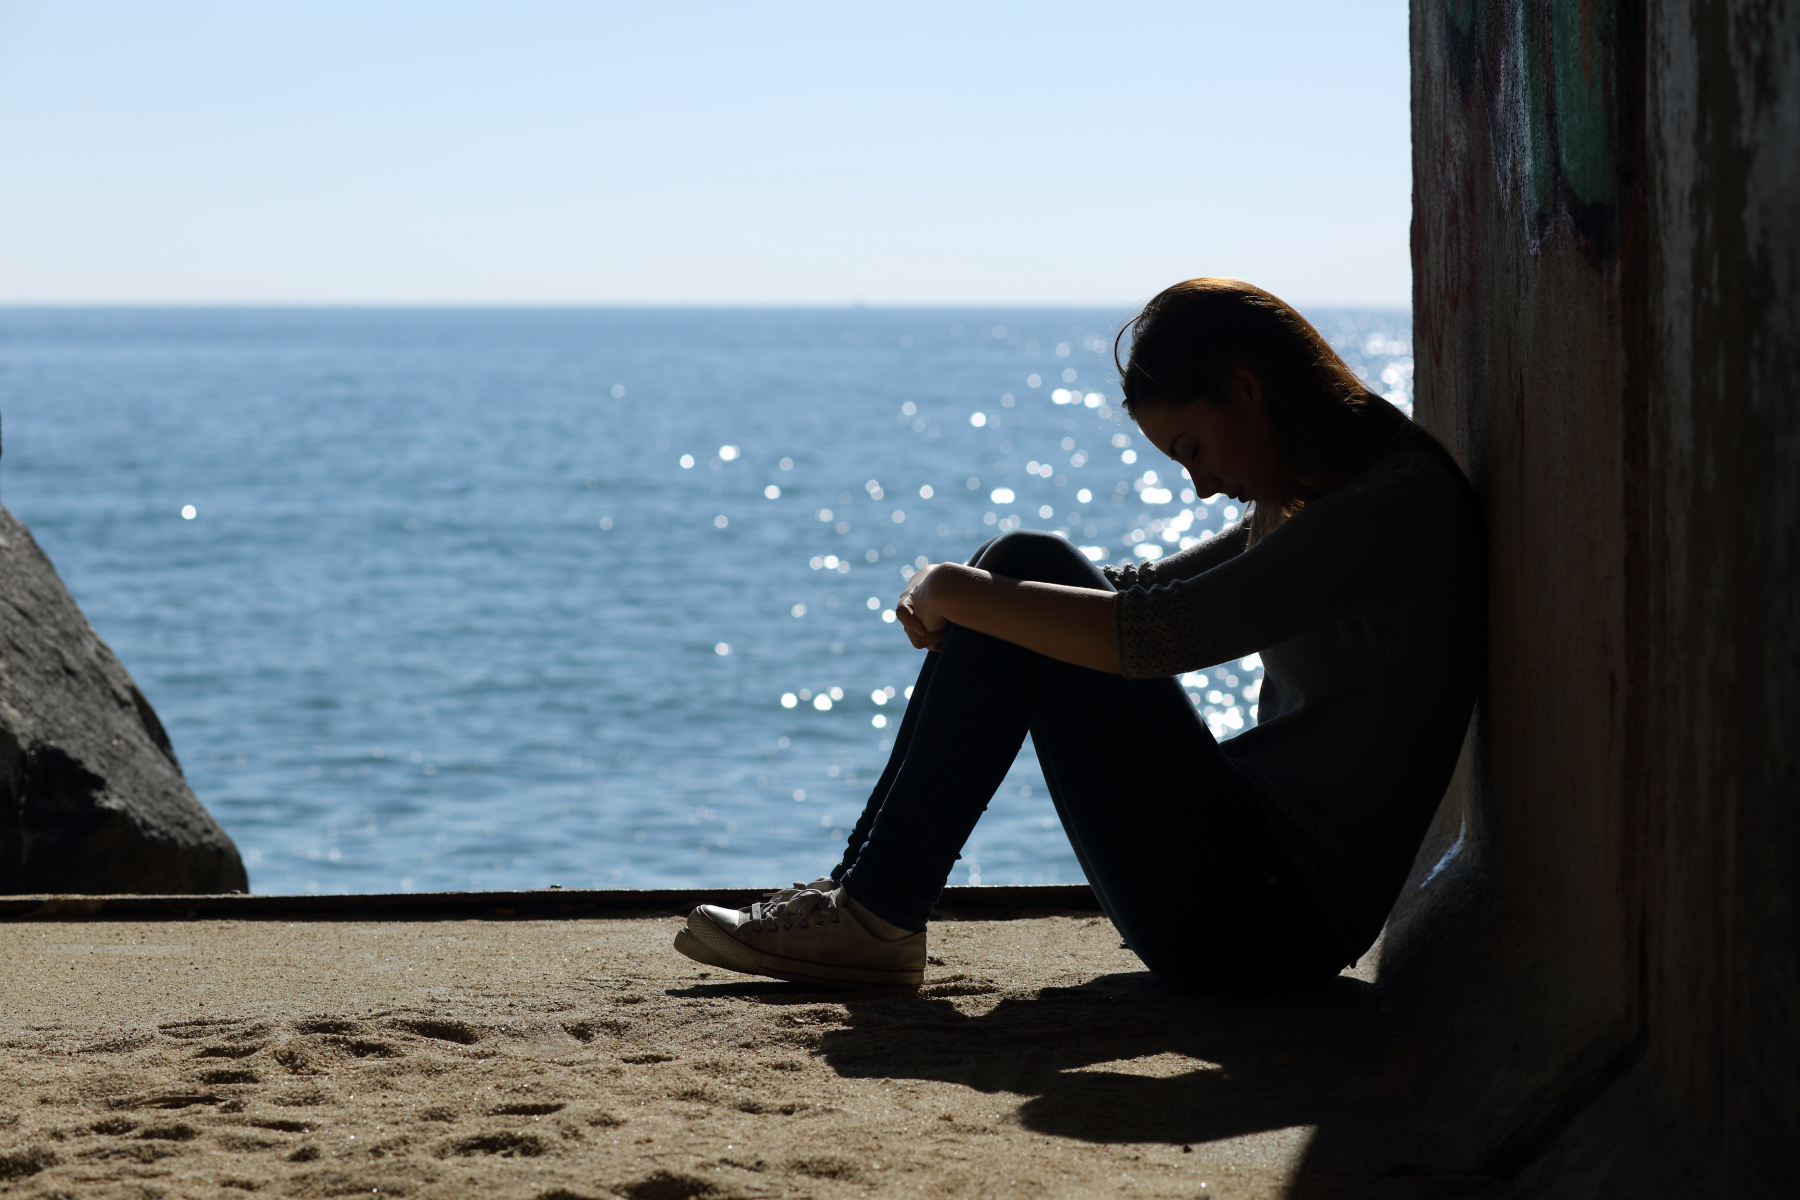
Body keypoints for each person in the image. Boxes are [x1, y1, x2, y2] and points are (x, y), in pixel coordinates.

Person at [674, 278, 1485, 990]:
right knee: (1017, 573)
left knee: (1015, 574)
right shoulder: (1317, 496)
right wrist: (977, 589)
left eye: (1193, 449)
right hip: (1244, 887)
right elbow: (1141, 593)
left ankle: (875, 914)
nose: (1202, 487)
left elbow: (1159, 634)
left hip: (1270, 922)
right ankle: (866, 897)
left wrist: (960, 589)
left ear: (1246, 389)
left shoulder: (1390, 510)